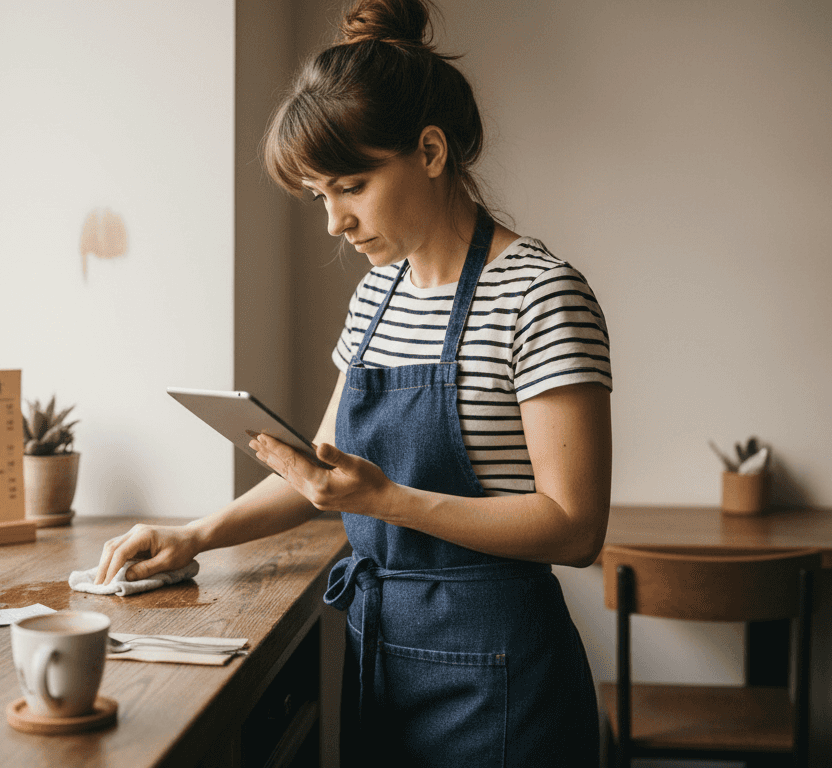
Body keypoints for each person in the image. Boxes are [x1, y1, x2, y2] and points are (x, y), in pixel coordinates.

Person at [97, 0, 611, 764]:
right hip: (381, 657)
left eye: (350, 186)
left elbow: (575, 528)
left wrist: (388, 501)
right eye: (318, 196)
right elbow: (324, 469)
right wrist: (194, 535)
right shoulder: (378, 295)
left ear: (430, 152)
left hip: (500, 678)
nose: (334, 221)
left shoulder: (540, 294)